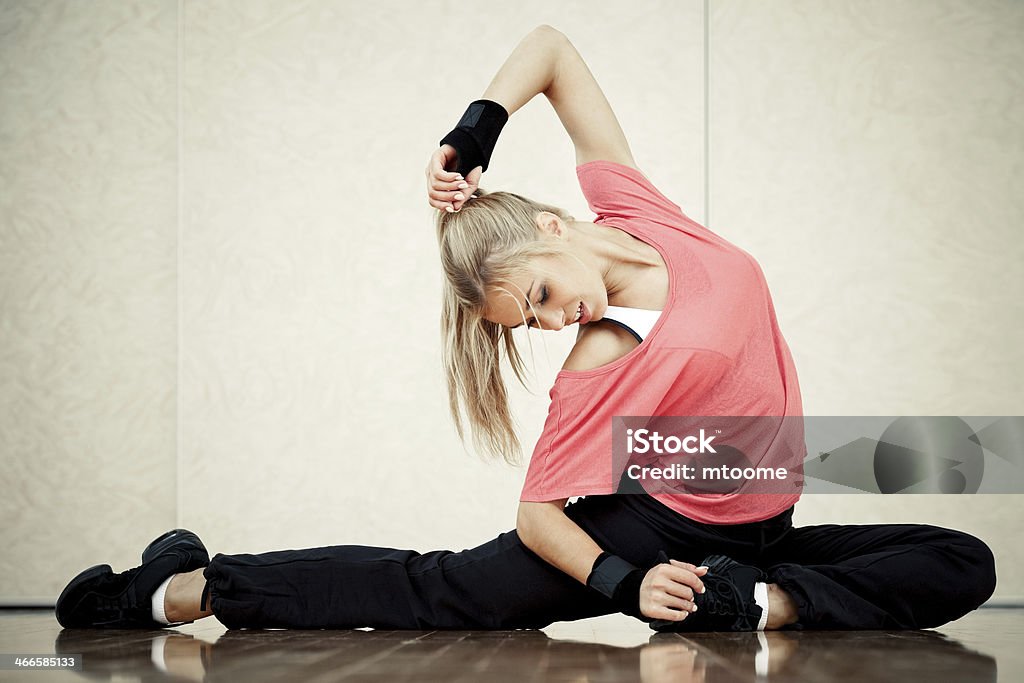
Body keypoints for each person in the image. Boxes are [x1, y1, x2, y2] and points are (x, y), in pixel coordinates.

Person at [56, 25, 996, 633]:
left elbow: (550, 49)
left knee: (963, 561)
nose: (557, 319)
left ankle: (760, 601)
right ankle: (176, 587)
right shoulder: (602, 355)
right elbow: (538, 515)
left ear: (553, 226)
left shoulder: (635, 207)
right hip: (658, 531)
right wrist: (628, 581)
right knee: (441, 592)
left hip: (759, 530)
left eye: (539, 295)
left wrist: (473, 131)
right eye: (534, 320)